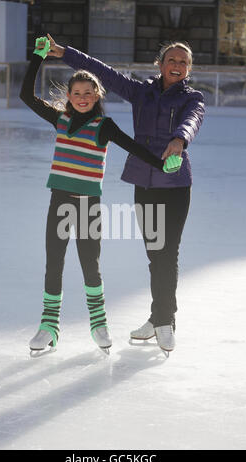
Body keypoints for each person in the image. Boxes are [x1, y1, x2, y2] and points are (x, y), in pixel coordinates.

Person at [44, 34, 205, 353]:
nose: (177, 65)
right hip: (144, 184)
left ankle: (165, 321)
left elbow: (192, 120)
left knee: (166, 252)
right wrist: (64, 52)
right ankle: (157, 316)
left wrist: (179, 140)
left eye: (183, 62)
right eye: (171, 59)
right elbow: (101, 71)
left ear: (188, 69)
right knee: (153, 253)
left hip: (174, 184)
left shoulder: (193, 97)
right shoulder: (141, 92)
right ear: (160, 64)